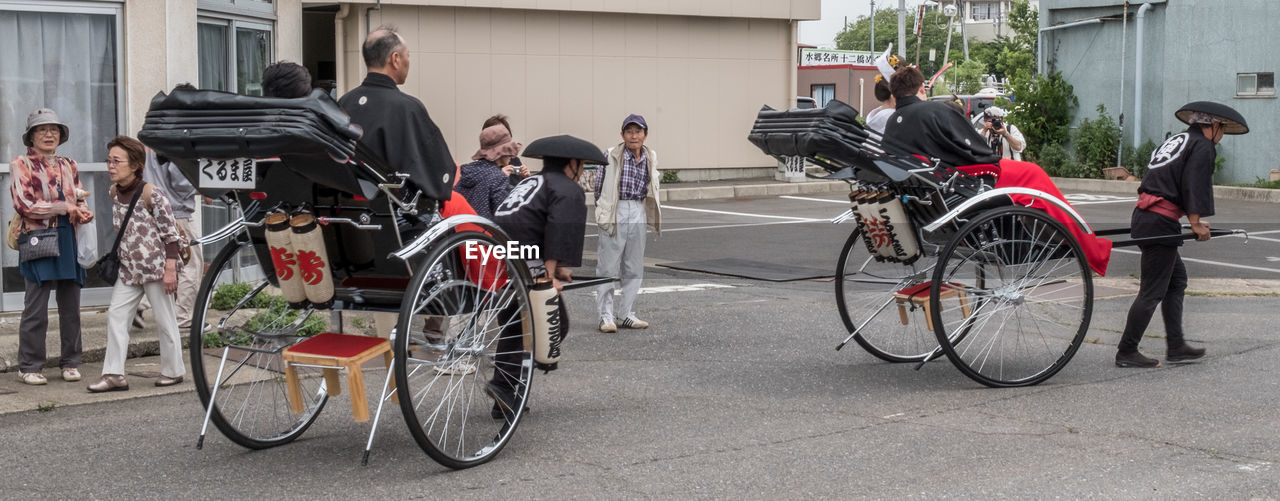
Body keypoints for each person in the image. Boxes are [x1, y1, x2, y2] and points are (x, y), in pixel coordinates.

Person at [882, 65, 1113, 276]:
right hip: (966, 180)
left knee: (1028, 174)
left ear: (895, 93)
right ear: (922, 87)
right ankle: (1087, 245)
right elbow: (972, 146)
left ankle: (1053, 233)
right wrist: (988, 155)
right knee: (1033, 173)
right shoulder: (933, 111)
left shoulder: (893, 123)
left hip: (931, 189)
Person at [1115, 102, 1249, 368]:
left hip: (1148, 217)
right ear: (1213, 126)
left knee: (1176, 281)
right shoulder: (1202, 146)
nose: (1220, 137)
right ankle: (1127, 351)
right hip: (1159, 220)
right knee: (1152, 290)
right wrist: (1197, 222)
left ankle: (1176, 346)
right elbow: (1194, 182)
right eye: (1221, 130)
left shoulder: (1179, 140)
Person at [488, 134, 602, 419]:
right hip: (529, 256)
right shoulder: (567, 188)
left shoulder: (532, 181)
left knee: (515, 323)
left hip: (500, 249)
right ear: (573, 164)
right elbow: (558, 229)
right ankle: (504, 384)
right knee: (554, 324)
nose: (581, 170)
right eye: (582, 165)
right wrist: (549, 277)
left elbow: (534, 218)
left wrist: (560, 269)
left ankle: (504, 394)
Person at [88, 136, 186, 392]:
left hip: (156, 268)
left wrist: (170, 270)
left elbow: (170, 235)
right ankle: (114, 375)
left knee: (165, 321)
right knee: (117, 316)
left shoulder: (151, 194)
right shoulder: (113, 192)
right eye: (108, 160)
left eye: (116, 161)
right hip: (129, 269)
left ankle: (173, 371)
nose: (110, 165)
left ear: (135, 165)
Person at [9, 108, 92, 385]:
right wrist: (63, 206)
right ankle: (29, 366)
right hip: (38, 239)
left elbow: (78, 196)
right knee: (36, 307)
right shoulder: (21, 163)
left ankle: (70, 362)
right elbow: (24, 204)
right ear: (31, 137)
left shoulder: (69, 164)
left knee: (71, 306)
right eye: (42, 130)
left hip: (69, 236)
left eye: (54, 130)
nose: (48, 134)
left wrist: (83, 209)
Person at [338, 26, 454, 206]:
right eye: (408, 55)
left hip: (348, 205)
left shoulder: (344, 102)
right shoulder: (407, 107)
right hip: (394, 209)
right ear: (395, 59)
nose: (409, 60)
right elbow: (433, 167)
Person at [593, 114, 662, 333]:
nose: (634, 136)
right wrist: (603, 210)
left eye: (638, 131)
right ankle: (606, 315)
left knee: (634, 265)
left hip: (637, 208)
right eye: (629, 131)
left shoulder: (650, 155)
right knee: (608, 264)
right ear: (622, 134)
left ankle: (626, 313)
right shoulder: (612, 154)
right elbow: (599, 185)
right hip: (617, 208)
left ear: (645, 134)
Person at [455, 125, 522, 219]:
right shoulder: (498, 177)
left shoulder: (468, 171)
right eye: (509, 152)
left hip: (460, 230)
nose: (511, 156)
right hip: (485, 231)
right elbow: (504, 215)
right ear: (501, 153)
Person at [483, 114, 531, 183]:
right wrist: (499, 177)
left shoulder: (514, 160)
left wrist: (526, 179)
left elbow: (520, 189)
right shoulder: (481, 166)